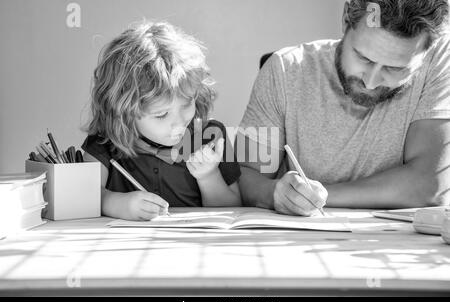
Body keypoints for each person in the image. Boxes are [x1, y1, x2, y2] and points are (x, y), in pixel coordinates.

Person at [238, 0, 450, 216]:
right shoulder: (283, 69)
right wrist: (276, 193)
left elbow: (430, 186)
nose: (371, 82)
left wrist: (320, 197)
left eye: (395, 68)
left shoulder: (439, 62)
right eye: (363, 58)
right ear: (346, 18)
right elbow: (245, 175)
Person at [82, 21, 241, 221]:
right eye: (161, 115)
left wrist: (209, 177)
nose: (179, 123)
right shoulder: (105, 140)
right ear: (123, 112)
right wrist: (120, 205)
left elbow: (234, 211)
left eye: (187, 104)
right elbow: (84, 197)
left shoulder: (209, 137)